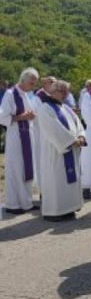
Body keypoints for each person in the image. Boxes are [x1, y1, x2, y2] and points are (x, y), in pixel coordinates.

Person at [38, 80, 86, 222]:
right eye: (63, 91)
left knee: (68, 180)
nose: (66, 94)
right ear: (53, 91)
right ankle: (54, 212)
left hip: (71, 149)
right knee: (57, 180)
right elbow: (53, 129)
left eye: (67, 91)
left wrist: (82, 136)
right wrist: (72, 140)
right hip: (56, 152)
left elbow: (78, 124)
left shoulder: (66, 108)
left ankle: (69, 208)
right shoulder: (45, 108)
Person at [0, 68, 39, 214]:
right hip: (15, 137)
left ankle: (26, 202)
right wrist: (22, 117)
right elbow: (2, 117)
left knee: (26, 169)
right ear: (22, 80)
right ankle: (13, 204)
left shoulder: (27, 95)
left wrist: (31, 115)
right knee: (16, 169)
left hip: (28, 136)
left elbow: (29, 113)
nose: (33, 87)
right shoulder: (10, 94)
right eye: (31, 83)